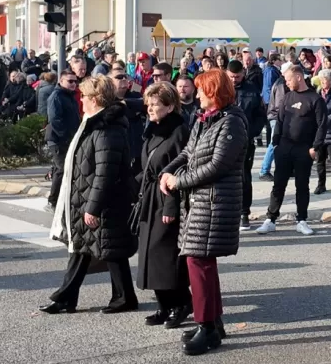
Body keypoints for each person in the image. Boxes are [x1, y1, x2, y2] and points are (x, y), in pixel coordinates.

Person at [159, 69, 247, 355]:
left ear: (214, 93)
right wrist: (168, 171)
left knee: (199, 262)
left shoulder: (232, 123)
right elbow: (188, 152)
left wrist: (178, 181)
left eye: (201, 90)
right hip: (198, 201)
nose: (196, 95)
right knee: (200, 263)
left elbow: (217, 166)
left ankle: (207, 327)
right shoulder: (204, 119)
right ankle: (213, 323)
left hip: (215, 202)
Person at [44, 75, 138, 316]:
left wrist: (92, 207)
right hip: (89, 197)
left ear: (96, 99)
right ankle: (71, 296)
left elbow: (105, 172)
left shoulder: (107, 129)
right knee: (87, 248)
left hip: (103, 200)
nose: (81, 100)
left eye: (84, 96)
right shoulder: (94, 123)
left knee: (108, 248)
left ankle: (122, 298)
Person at [136, 82, 192, 330]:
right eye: (148, 104)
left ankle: (181, 303)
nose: (149, 108)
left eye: (155, 104)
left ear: (169, 106)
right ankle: (163, 304)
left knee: (166, 255)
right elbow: (147, 167)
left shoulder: (179, 131)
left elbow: (180, 170)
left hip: (168, 199)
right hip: (149, 199)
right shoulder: (153, 129)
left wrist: (171, 207)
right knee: (149, 254)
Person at [256, 65, 327, 236]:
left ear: (298, 77)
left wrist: (315, 147)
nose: (286, 83)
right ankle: (271, 219)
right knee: (278, 184)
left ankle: (301, 220)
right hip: (284, 147)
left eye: (288, 79)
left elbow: (322, 126)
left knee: (302, 185)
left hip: (304, 148)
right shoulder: (287, 97)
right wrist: (276, 143)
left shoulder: (315, 99)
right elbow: (279, 121)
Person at [227, 61, 265, 231]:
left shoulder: (251, 90)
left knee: (244, 176)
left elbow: (260, 116)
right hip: (223, 141)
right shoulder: (221, 89)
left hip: (245, 141)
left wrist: (252, 132)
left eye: (237, 77)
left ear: (243, 74)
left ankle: (244, 213)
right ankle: (227, 212)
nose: (234, 80)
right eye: (231, 77)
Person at [45, 71, 82, 212]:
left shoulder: (69, 96)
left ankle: (60, 198)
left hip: (67, 138)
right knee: (62, 169)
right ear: (61, 81)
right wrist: (67, 137)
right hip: (58, 139)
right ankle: (52, 202)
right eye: (70, 81)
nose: (73, 84)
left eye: (75, 81)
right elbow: (55, 120)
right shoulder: (57, 96)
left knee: (58, 168)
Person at [259, 62, 293, 182]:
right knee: (274, 143)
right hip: (277, 117)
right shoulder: (281, 84)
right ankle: (264, 170)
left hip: (278, 116)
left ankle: (287, 168)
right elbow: (280, 105)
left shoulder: (282, 83)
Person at [110, 67, 146, 177]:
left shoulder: (135, 95)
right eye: (119, 77)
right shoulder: (107, 99)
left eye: (125, 76)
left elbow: (143, 104)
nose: (123, 79)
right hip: (116, 150)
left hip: (137, 148)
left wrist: (126, 104)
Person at [260, 53, 282, 147]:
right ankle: (270, 141)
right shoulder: (270, 70)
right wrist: (271, 99)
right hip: (269, 99)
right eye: (279, 59)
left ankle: (270, 141)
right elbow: (270, 85)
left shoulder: (271, 69)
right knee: (270, 120)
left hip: (269, 98)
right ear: (274, 61)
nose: (280, 61)